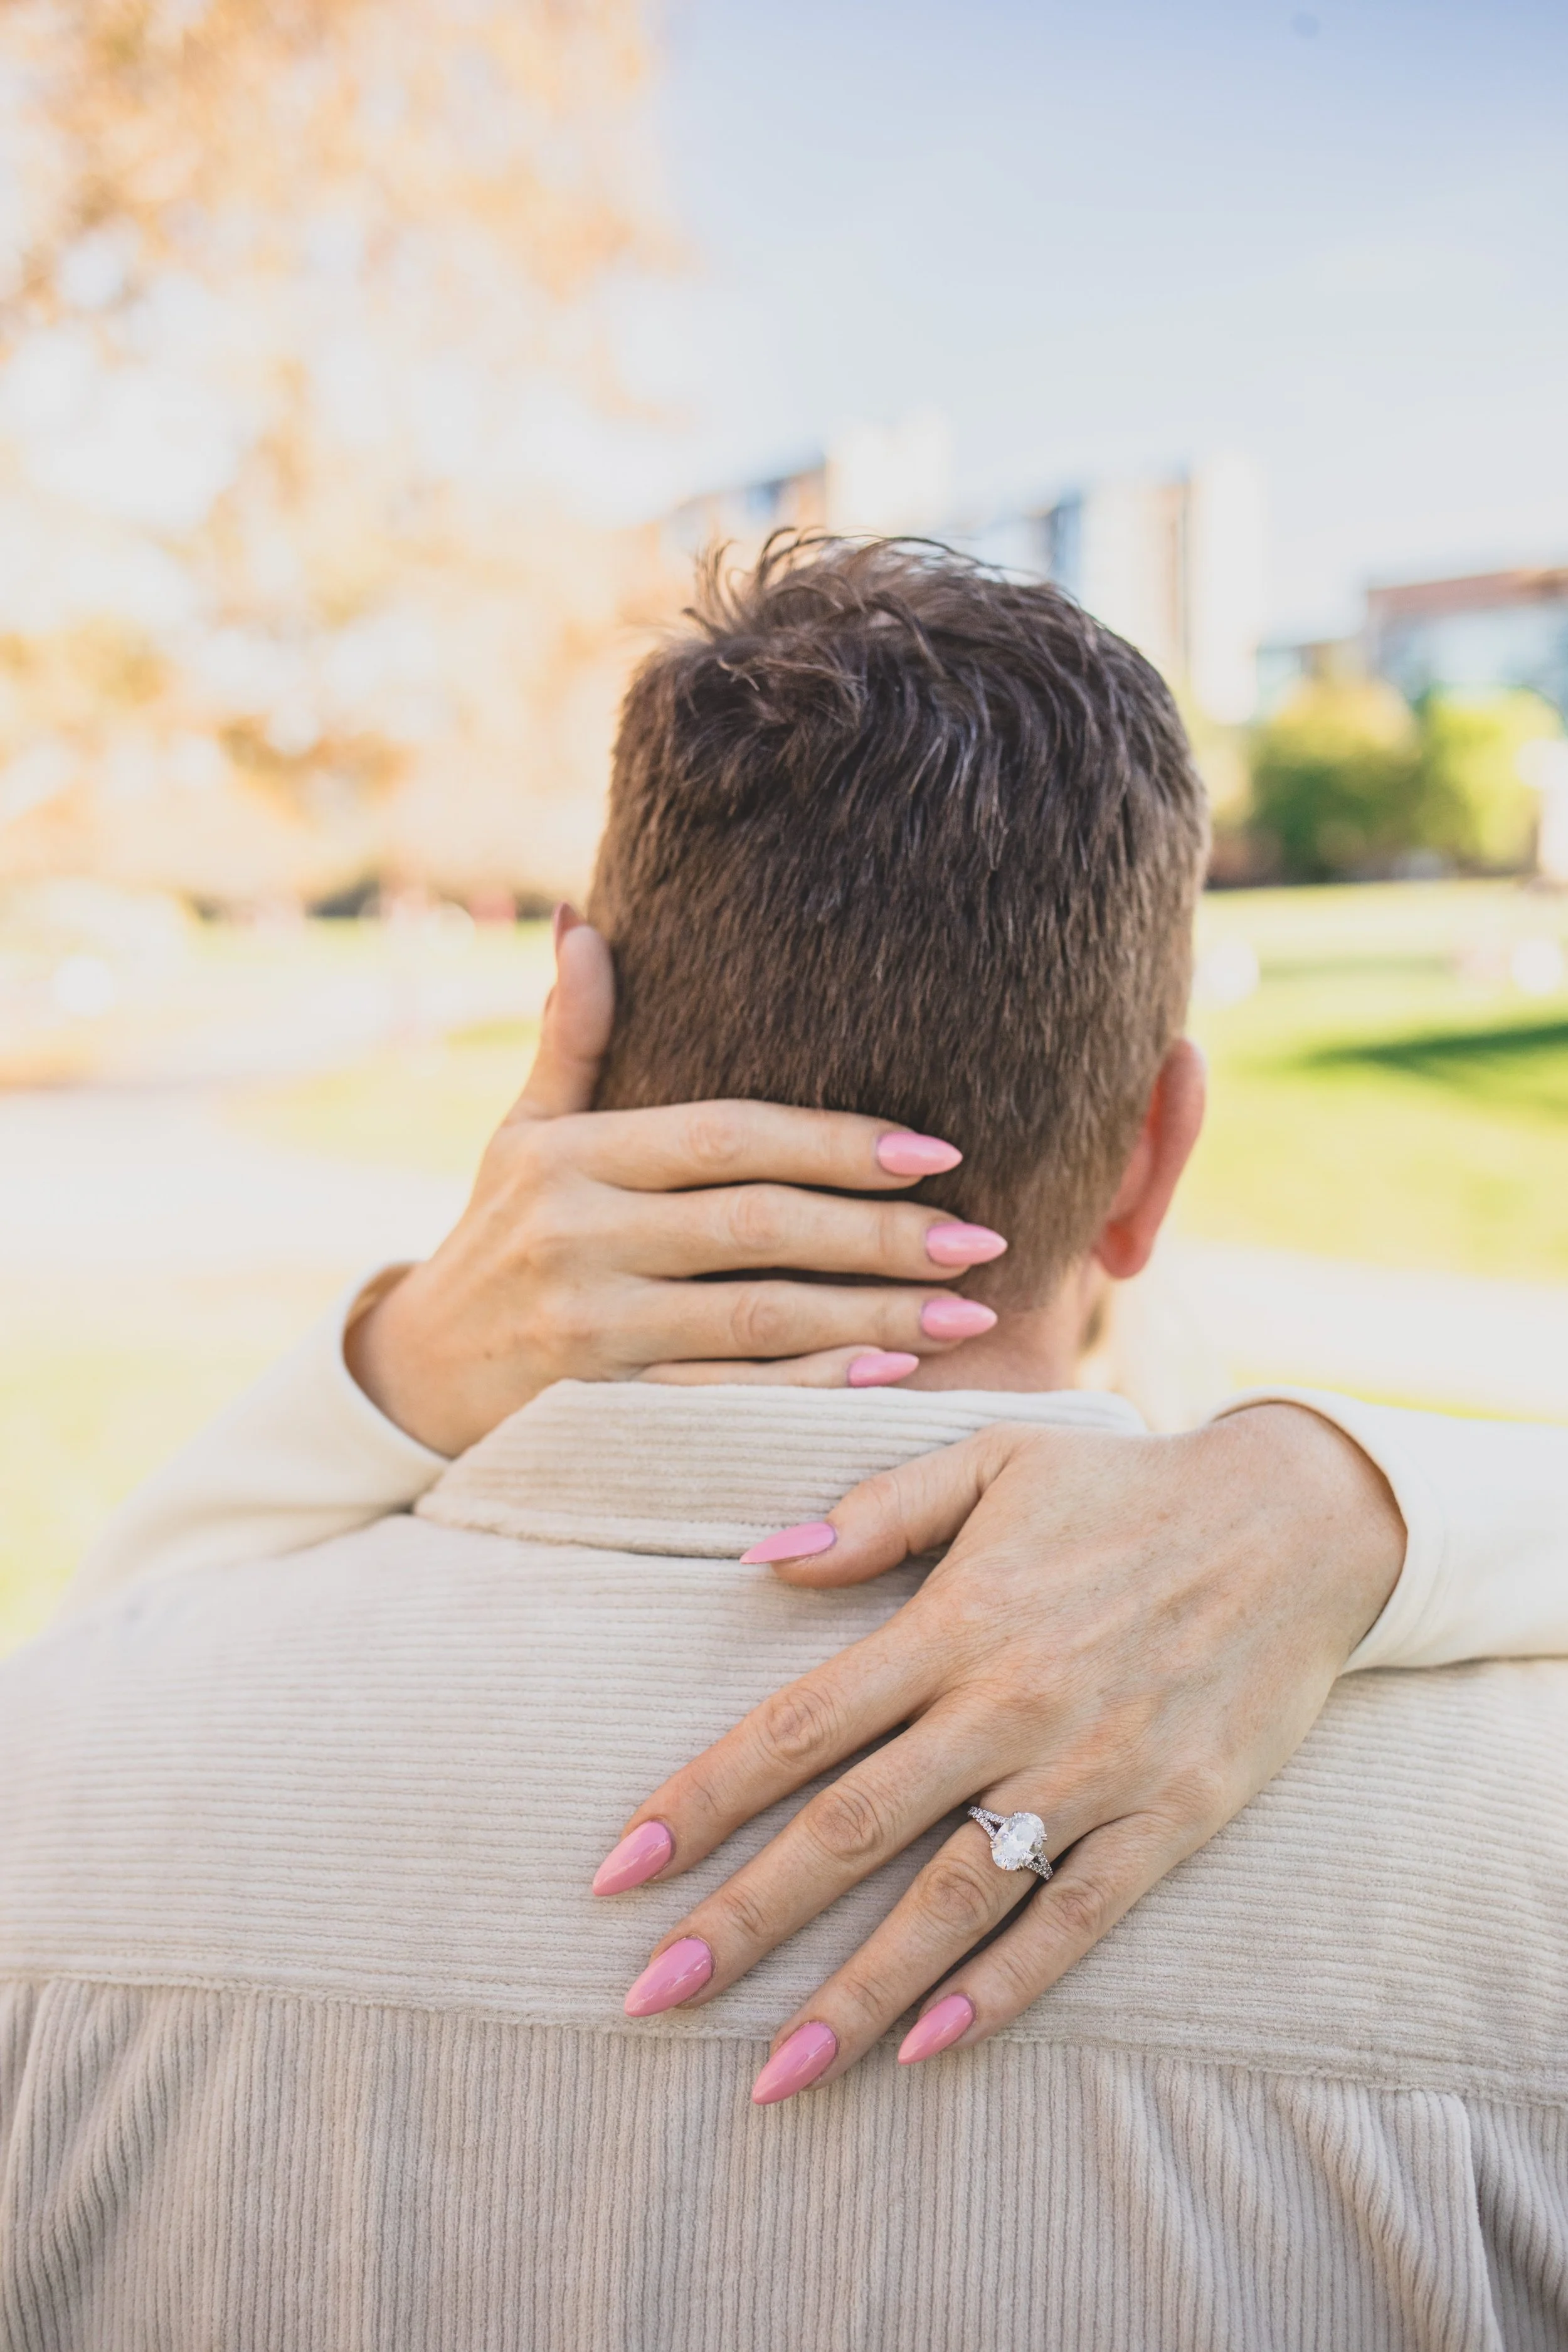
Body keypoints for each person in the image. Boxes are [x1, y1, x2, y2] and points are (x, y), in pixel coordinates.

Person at [5, 539, 1568, 2352]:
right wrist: (1364, 1488)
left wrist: (395, 1357)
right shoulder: (1521, 1856)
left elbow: (101, 1650)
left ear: (578, 1046)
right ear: (1156, 1150)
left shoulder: (61, 1765)